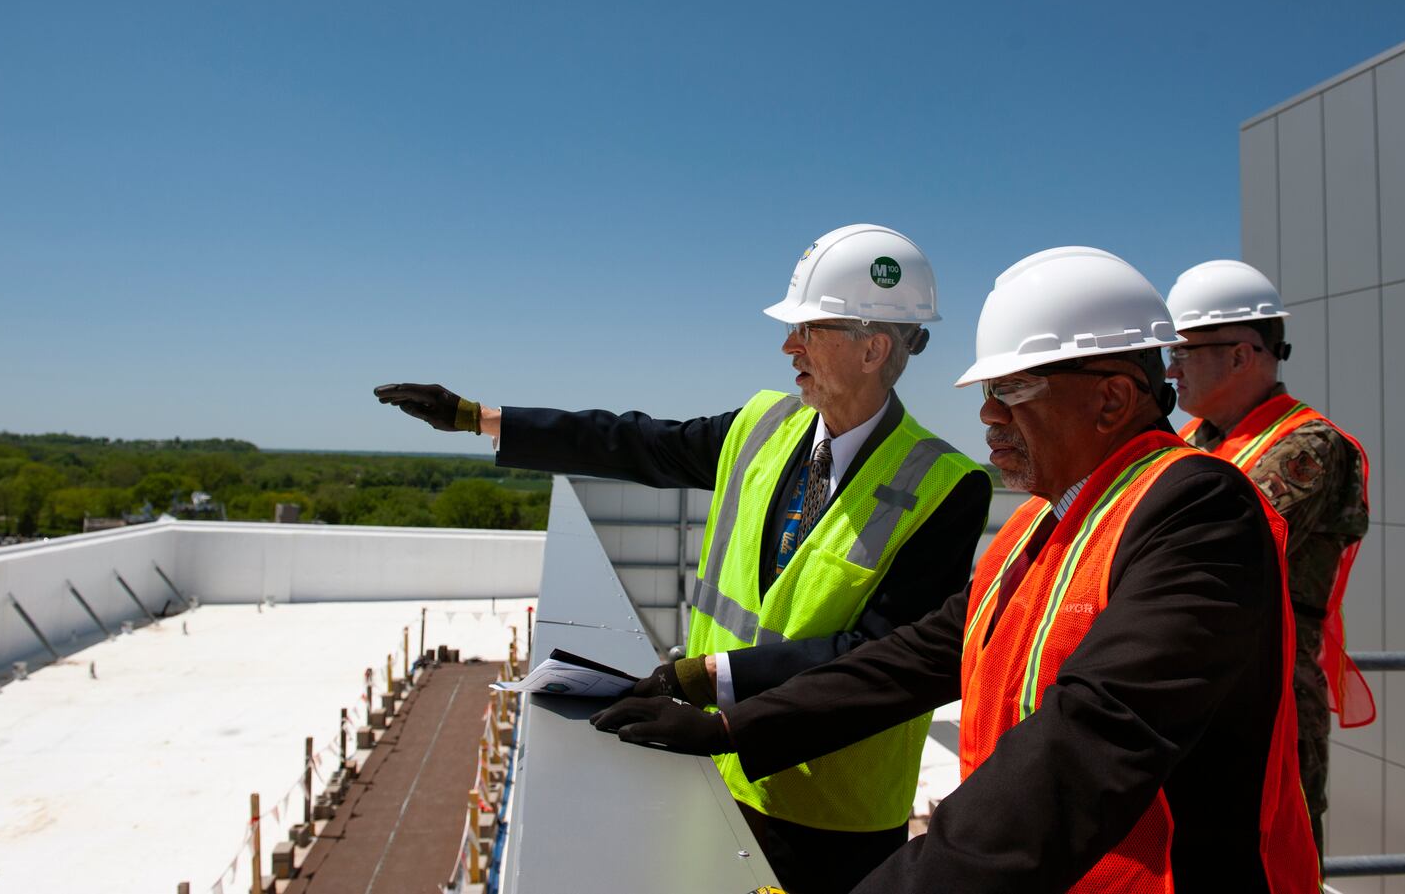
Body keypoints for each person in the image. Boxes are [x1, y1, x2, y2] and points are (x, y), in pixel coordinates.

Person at [591, 246, 1321, 894]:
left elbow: (1082, 748)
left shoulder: (1200, 512)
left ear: (1111, 397)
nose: (989, 418)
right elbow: (910, 660)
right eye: (986, 393)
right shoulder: (1048, 518)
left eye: (1014, 391)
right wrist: (725, 724)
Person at [375, 223, 992, 894]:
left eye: (808, 330)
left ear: (873, 348)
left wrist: (700, 681)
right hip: (714, 768)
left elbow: (880, 652)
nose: (788, 346)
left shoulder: (945, 485)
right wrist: (482, 418)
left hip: (830, 822)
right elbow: (636, 443)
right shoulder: (762, 425)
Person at [1165, 258, 1373, 859]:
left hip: (1267, 702)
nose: (1171, 370)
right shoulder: (1190, 441)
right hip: (1193, 694)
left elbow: (1204, 546)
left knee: (1265, 858)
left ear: (1241, 353)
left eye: (1183, 351)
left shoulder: (1308, 446)